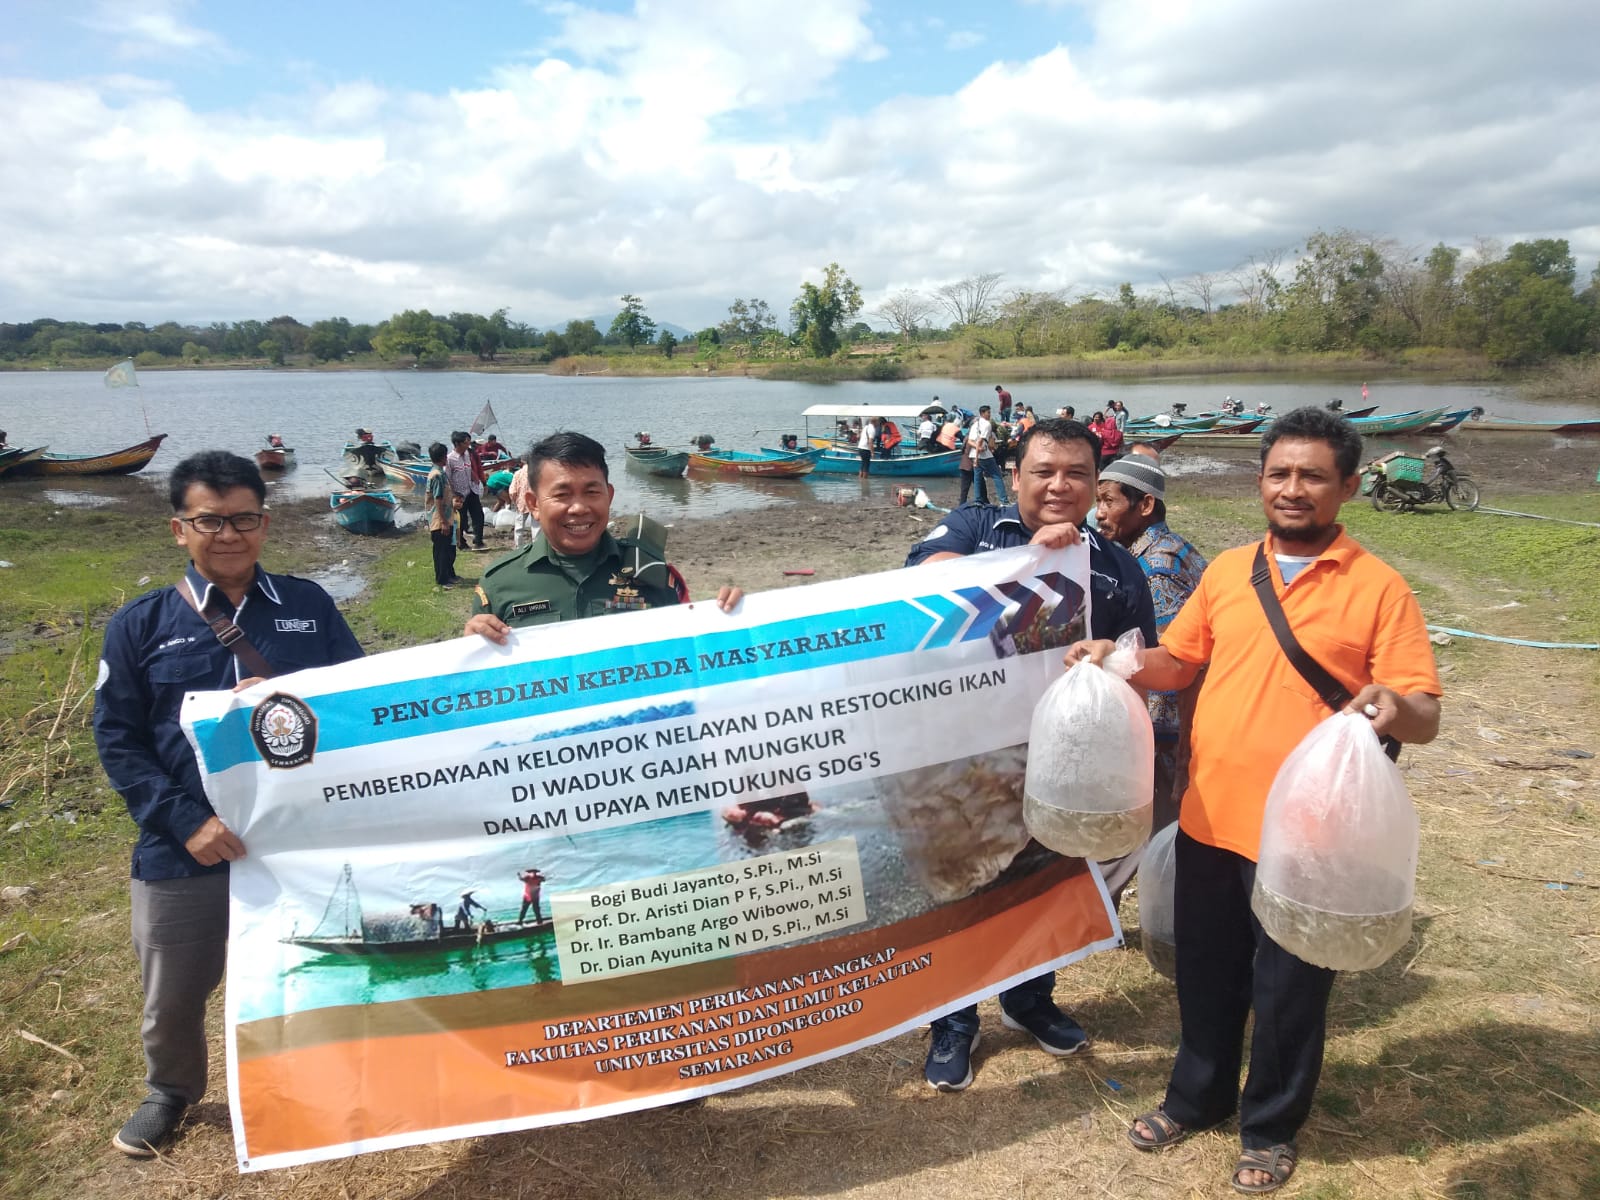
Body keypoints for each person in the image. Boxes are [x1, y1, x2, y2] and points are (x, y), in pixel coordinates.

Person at [1066, 407, 1441, 1195]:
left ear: (1345, 486)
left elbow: (1426, 714)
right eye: (1279, 473)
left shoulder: (1379, 589)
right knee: (1205, 974)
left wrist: (1390, 704)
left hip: (1310, 835)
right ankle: (1194, 1099)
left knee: (1290, 991)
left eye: (1312, 476)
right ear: (1260, 480)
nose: (1293, 488)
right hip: (1210, 817)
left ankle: (1269, 1126)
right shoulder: (1231, 570)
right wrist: (1120, 658)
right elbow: (1180, 662)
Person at [93, 451, 364, 1158]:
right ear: (179, 529)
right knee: (173, 988)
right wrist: (184, 821)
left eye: (243, 518)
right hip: (184, 845)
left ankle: (324, 1079)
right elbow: (118, 739)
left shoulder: (308, 607)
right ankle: (171, 1091)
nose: (229, 533)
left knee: (314, 966)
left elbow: (363, 705)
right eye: (209, 520)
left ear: (265, 523)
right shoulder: (140, 624)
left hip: (295, 839)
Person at [906, 417, 1158, 1092]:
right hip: (966, 757)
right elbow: (920, 584)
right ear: (1014, 475)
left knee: (1045, 883)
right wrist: (1027, 563)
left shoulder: (1117, 565)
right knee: (960, 888)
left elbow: (1140, 653)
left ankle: (1028, 998)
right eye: (1043, 471)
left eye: (1076, 474)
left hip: (1061, 761)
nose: (1058, 485)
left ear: (1096, 485)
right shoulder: (973, 526)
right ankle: (953, 1023)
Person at [464, 431, 740, 640]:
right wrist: (471, 647)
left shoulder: (654, 573)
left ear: (609, 496)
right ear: (533, 504)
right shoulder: (499, 584)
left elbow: (694, 650)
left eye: (592, 492)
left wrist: (734, 617)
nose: (579, 508)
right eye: (562, 494)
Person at [1091, 456, 1207, 889]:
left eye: (1108, 501)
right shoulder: (1176, 548)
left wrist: (1176, 759)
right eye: (1097, 501)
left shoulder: (1157, 570)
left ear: (1144, 506)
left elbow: (1176, 663)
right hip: (1169, 729)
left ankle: (1107, 910)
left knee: (1139, 831)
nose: (1098, 512)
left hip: (1165, 729)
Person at [424, 441, 459, 588]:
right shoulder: (437, 475)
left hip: (446, 516)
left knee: (448, 549)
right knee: (441, 551)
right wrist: (443, 521)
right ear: (443, 457)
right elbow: (438, 499)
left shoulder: (439, 472)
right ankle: (442, 579)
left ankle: (449, 575)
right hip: (439, 519)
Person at [961, 404, 1008, 507]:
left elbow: (970, 441)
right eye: (988, 413)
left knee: (977, 478)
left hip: (973, 454)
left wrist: (976, 453)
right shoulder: (987, 424)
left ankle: (978, 501)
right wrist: (979, 453)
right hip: (984, 455)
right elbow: (981, 441)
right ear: (983, 413)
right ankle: (1003, 501)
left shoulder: (974, 424)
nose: (989, 415)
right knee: (997, 476)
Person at [447, 431, 487, 551]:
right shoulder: (450, 459)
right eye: (465, 443)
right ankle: (461, 543)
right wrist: (453, 495)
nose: (468, 445)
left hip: (471, 490)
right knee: (461, 519)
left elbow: (470, 470)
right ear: (457, 444)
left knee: (479, 516)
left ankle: (478, 541)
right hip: (459, 494)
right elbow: (448, 478)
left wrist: (478, 480)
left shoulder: (468, 455)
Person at [507, 462, 536, 548]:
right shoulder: (537, 472)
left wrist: (515, 500)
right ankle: (536, 547)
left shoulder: (518, 473)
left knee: (519, 527)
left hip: (521, 502)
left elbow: (512, 491)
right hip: (535, 502)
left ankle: (518, 546)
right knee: (536, 527)